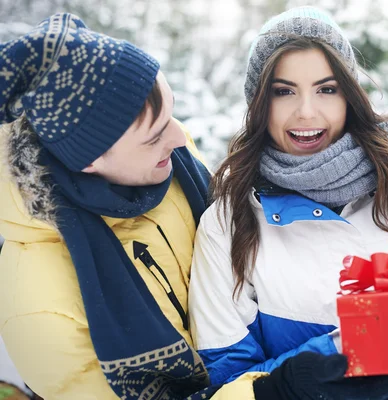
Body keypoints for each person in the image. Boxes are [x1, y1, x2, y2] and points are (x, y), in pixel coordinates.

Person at [188, 6, 388, 400]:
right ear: (259, 104)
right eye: (283, 91)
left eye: (327, 88)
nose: (306, 111)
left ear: (349, 96)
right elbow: (228, 378)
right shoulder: (229, 220)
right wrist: (341, 355)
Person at [0, 13, 268, 400]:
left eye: (171, 115)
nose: (179, 137)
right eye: (155, 134)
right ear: (88, 161)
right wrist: (271, 389)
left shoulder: (168, 165)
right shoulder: (39, 310)